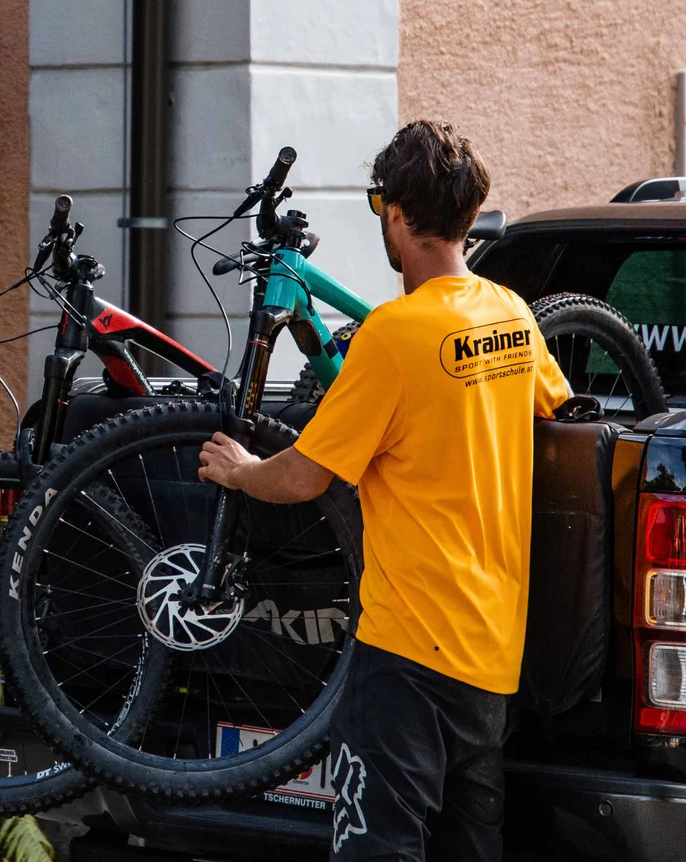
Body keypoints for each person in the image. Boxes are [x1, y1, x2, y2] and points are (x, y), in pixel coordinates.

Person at [197, 120, 571, 862]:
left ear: (395, 215)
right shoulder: (512, 314)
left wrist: (239, 470)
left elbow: (305, 475)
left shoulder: (393, 337)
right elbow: (554, 408)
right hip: (490, 652)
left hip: (406, 653)